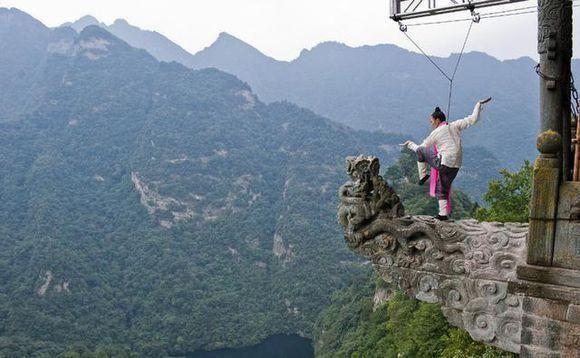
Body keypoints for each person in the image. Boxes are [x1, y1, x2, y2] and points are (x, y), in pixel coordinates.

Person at [402, 98, 492, 221]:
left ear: (437, 120)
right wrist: (478, 105)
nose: (431, 124)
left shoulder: (437, 132)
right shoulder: (454, 125)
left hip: (445, 162)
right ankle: (443, 215)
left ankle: (422, 176)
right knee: (442, 188)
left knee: (420, 151)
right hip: (456, 165)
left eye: (431, 121)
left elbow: (422, 148)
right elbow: (472, 119)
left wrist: (410, 144)